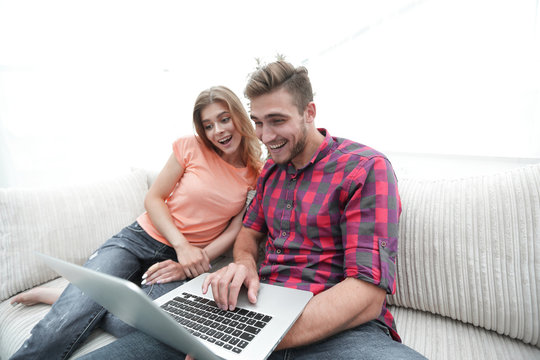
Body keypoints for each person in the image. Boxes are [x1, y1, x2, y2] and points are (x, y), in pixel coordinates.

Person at [77, 60, 427, 359]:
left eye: (276, 120)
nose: (264, 135)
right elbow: (247, 236)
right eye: (258, 121)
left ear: (309, 112)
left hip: (336, 329)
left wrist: (255, 343)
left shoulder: (365, 169)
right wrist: (244, 264)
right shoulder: (271, 172)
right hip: (254, 310)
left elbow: (366, 295)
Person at [9, 85, 263, 360]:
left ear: (239, 116)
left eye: (224, 119)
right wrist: (182, 246)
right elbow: (153, 198)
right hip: (138, 239)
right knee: (58, 328)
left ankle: (78, 301)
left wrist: (189, 262)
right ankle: (78, 303)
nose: (218, 131)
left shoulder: (255, 174)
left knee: (161, 330)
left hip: (180, 262)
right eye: (209, 125)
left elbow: (236, 228)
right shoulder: (190, 146)